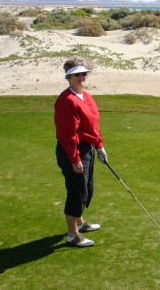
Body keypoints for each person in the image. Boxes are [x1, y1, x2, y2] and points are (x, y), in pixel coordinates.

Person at [54, 56, 108, 247]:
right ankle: (72, 235)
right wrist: (75, 158)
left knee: (87, 189)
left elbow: (93, 125)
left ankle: (80, 223)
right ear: (68, 77)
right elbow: (68, 134)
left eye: (83, 73)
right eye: (76, 74)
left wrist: (99, 146)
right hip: (73, 151)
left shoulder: (86, 97)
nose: (81, 77)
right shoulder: (66, 100)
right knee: (77, 192)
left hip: (86, 149)